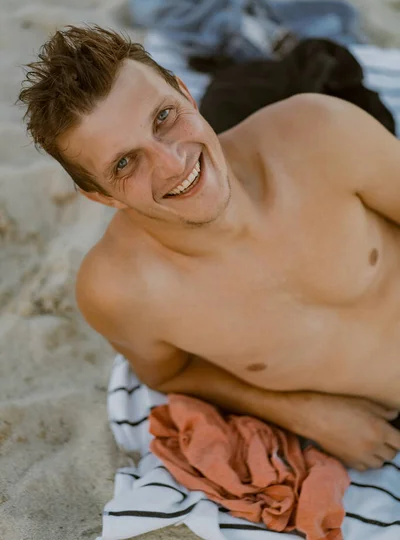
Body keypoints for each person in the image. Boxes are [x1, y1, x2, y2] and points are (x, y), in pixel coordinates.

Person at [19, 25, 400, 472]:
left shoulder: (324, 133)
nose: (172, 161)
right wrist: (307, 413)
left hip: (287, 144)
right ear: (101, 196)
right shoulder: (120, 292)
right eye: (124, 163)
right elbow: (167, 373)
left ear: (184, 92)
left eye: (163, 117)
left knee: (299, 72)